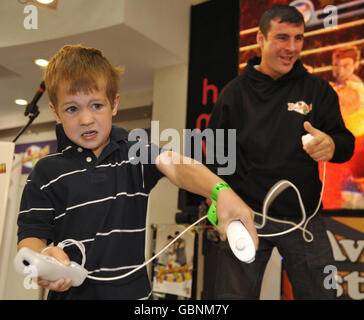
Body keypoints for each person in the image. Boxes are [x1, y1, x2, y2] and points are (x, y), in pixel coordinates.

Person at [16, 44, 258, 300]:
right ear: (55, 112)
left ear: (114, 104)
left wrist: (221, 191)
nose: (86, 119)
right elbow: (30, 239)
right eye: (72, 109)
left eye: (96, 105)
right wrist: (43, 257)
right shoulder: (45, 172)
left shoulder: (133, 150)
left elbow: (175, 165)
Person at [207, 5, 355, 300]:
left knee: (322, 296)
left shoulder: (318, 90)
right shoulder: (234, 94)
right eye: (282, 38)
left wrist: (332, 145)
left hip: (305, 221)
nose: (291, 48)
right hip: (246, 217)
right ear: (260, 39)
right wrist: (219, 209)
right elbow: (214, 159)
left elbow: (345, 142)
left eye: (298, 39)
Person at [320, 46, 364, 209]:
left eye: (345, 66)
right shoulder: (340, 87)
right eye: (336, 65)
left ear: (356, 65)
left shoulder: (354, 89)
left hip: (355, 149)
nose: (339, 70)